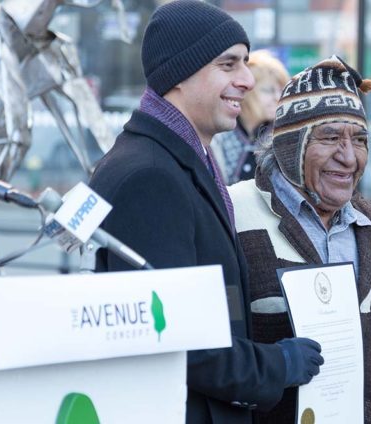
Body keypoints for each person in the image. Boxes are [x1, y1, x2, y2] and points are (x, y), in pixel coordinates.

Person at [88, 2, 323, 423]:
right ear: (180, 73)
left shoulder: (171, 159)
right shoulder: (150, 176)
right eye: (228, 64)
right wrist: (278, 364)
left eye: (246, 63)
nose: (247, 80)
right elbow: (174, 340)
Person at [228, 55, 371, 423]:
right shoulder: (234, 217)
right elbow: (214, 364)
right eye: (331, 137)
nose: (349, 157)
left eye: (360, 140)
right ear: (290, 146)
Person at [210, 49, 289, 184]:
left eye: (281, 90)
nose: (277, 98)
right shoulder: (217, 136)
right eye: (268, 90)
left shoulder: (283, 138)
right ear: (245, 91)